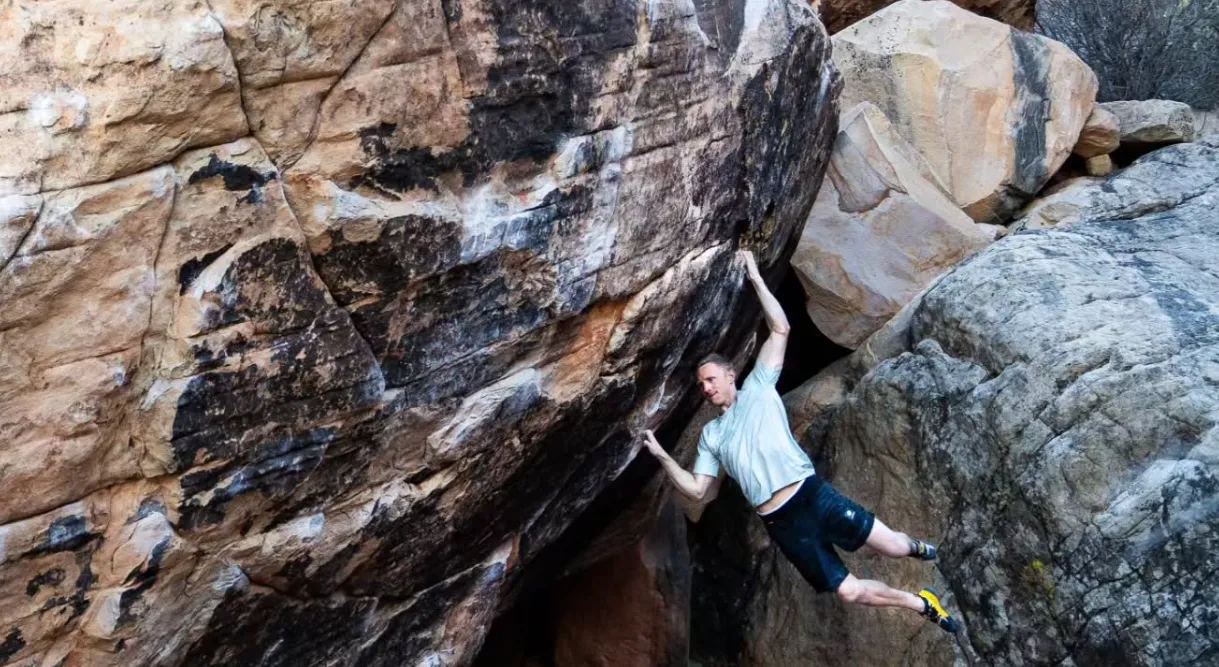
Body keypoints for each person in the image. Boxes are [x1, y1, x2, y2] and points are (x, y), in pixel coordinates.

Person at [639, 249, 959, 634]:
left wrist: (755, 277)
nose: (705, 388)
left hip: (811, 496)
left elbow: (780, 329)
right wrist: (660, 455)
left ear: (729, 375)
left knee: (893, 546)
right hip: (782, 523)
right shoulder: (712, 435)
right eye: (701, 385)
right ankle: (920, 603)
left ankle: (921, 549)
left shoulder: (758, 386)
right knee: (849, 592)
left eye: (710, 379)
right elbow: (697, 489)